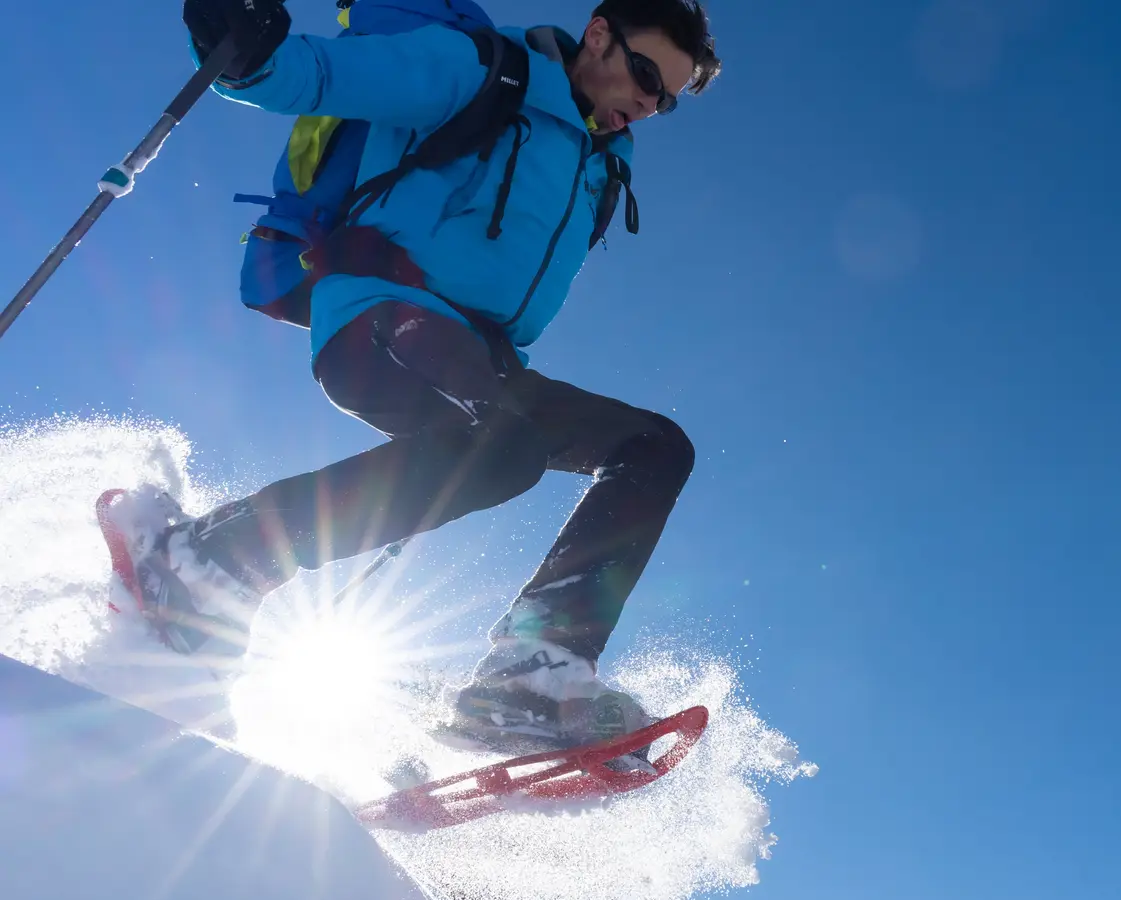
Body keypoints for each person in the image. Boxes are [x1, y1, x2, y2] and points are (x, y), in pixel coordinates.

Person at [128, 0, 721, 754]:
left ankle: (531, 674)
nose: (648, 102)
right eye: (644, 74)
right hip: (380, 313)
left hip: (482, 358)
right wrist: (249, 54)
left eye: (666, 98)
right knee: (504, 450)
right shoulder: (482, 70)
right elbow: (324, 75)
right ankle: (213, 559)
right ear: (599, 34)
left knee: (656, 447)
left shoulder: (601, 162)